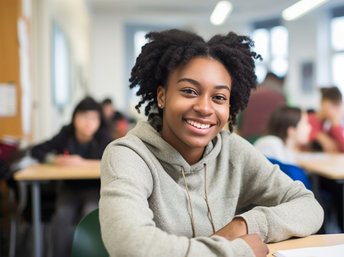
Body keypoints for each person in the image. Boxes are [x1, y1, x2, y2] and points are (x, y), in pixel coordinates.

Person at [99, 29, 323, 257]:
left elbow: (309, 206)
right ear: (162, 96)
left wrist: (244, 225)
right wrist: (237, 251)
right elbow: (130, 245)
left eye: (219, 97)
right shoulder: (128, 155)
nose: (205, 108)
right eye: (189, 91)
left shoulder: (232, 150)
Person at [30, 96, 112, 256]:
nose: (88, 122)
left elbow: (113, 160)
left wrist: (81, 163)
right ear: (74, 117)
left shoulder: (103, 135)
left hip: (94, 189)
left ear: (99, 121)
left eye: (94, 118)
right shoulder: (66, 134)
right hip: (69, 188)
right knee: (61, 217)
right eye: (83, 117)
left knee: (91, 213)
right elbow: (36, 150)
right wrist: (54, 159)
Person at [237, 72, 286, 143]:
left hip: (248, 138)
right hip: (269, 139)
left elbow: (240, 118)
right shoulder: (280, 96)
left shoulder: (250, 94)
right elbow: (285, 119)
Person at [307, 86, 344, 153]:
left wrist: (336, 124)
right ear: (322, 103)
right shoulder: (308, 120)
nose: (335, 111)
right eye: (333, 105)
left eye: (338, 106)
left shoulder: (332, 125)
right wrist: (318, 135)